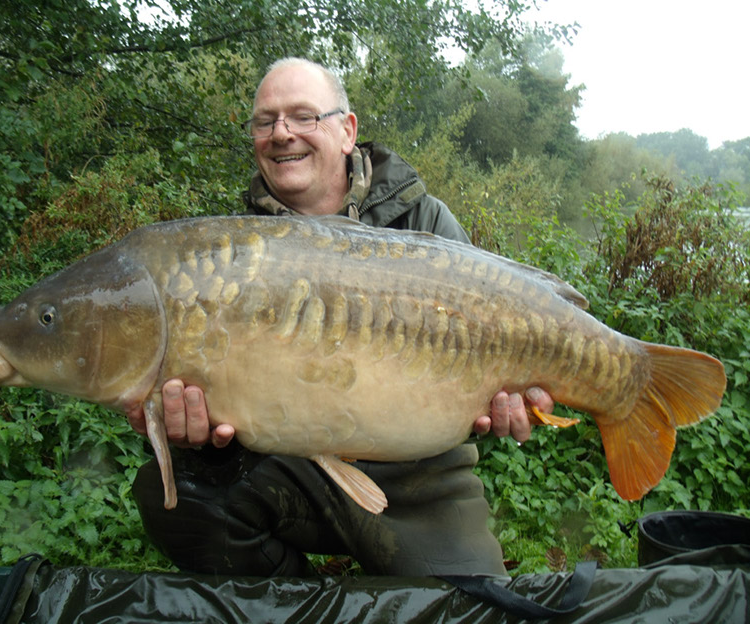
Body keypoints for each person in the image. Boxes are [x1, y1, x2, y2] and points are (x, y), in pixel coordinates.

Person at [127, 57, 554, 577]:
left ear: (348, 131)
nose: (281, 133)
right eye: (265, 121)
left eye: (303, 116)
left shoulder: (424, 221)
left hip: (420, 480)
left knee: (469, 608)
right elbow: (222, 415)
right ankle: (297, 602)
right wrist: (196, 436)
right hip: (288, 468)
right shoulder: (232, 254)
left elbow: (487, 359)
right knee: (176, 500)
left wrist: (516, 399)